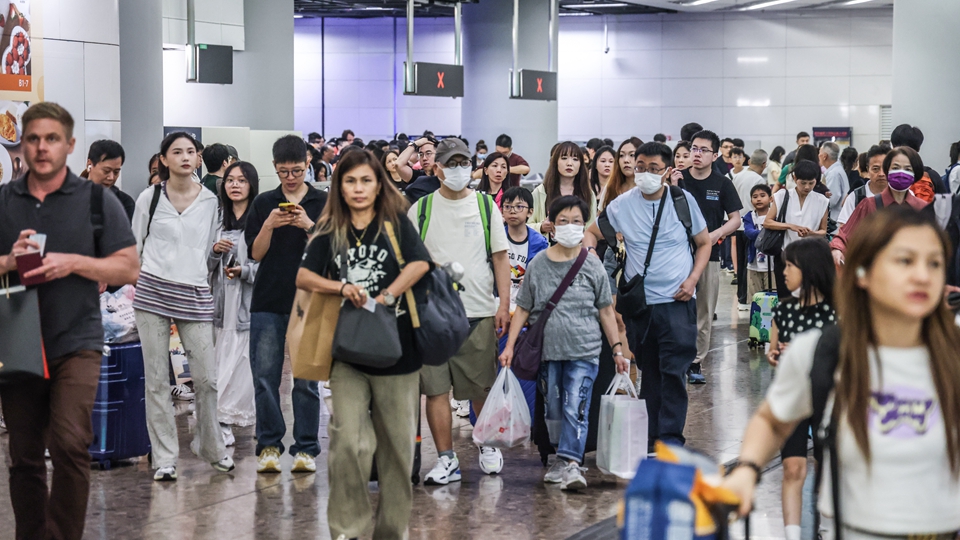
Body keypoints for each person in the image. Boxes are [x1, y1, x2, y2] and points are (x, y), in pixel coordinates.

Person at [723, 206, 960, 538]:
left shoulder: (952, 351)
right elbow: (772, 419)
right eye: (904, 261)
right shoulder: (820, 351)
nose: (923, 275)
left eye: (934, 263)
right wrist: (746, 470)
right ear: (862, 273)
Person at [0, 102, 139, 540]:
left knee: (69, 444)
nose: (43, 147)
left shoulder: (98, 200)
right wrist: (10, 260)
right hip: (18, 341)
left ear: (70, 145)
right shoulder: (4, 201)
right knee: (23, 455)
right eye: (34, 138)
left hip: (77, 340)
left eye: (52, 138)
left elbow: (127, 268)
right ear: (22, 143)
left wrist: (73, 263)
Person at [297, 149, 430, 540]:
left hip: (399, 352)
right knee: (349, 444)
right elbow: (304, 276)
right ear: (340, 185)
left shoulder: (395, 223)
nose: (358, 188)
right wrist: (340, 287)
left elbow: (421, 263)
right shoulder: (330, 228)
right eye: (350, 181)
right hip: (349, 352)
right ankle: (347, 530)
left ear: (378, 184)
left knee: (397, 453)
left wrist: (388, 294)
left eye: (366, 180)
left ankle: (392, 531)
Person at [500, 195, 628, 491]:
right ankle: (560, 458)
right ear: (552, 225)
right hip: (548, 352)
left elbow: (605, 310)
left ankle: (572, 463)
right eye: (563, 221)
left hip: (585, 350)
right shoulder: (538, 263)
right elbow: (523, 308)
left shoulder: (592, 264)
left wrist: (617, 349)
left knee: (576, 406)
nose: (570, 227)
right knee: (553, 410)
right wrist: (509, 346)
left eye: (576, 222)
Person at [585, 152, 711, 449]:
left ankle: (669, 439)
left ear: (667, 171)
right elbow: (591, 233)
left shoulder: (682, 200)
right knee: (649, 372)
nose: (645, 173)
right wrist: (591, 256)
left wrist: (692, 280)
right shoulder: (623, 204)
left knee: (674, 372)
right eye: (641, 167)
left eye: (653, 168)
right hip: (641, 305)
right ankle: (650, 437)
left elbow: (704, 243)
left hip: (678, 301)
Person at [406, 137, 512, 484]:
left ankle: (486, 443)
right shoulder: (420, 209)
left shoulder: (485, 206)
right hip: (431, 314)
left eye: (463, 163)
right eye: (450, 164)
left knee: (480, 387)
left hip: (478, 310)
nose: (458, 170)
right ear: (435, 168)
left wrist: (504, 305)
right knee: (436, 390)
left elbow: (500, 257)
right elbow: (407, 261)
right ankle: (447, 458)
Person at [132, 131, 234, 482]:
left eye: (191, 151)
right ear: (164, 159)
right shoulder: (150, 196)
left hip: (193, 290)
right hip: (152, 292)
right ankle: (164, 458)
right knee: (157, 380)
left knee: (205, 379)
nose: (185, 157)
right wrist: (142, 277)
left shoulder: (210, 200)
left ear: (199, 157)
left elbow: (208, 250)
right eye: (177, 152)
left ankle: (210, 446)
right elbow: (136, 244)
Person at [245, 135, 328, 474]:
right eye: (283, 172)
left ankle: (306, 448)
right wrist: (269, 225)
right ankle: (268, 445)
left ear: (307, 164)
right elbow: (255, 253)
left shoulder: (322, 201)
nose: (290, 177)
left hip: (310, 300)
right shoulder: (265, 202)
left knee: (306, 380)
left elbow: (331, 251)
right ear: (275, 169)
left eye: (296, 170)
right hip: (269, 297)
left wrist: (309, 225)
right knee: (265, 377)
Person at [765, 238, 836, 540]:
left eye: (790, 266)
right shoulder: (784, 309)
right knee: (792, 467)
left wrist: (807, 351)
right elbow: (772, 350)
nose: (784, 272)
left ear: (808, 270)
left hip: (829, 401)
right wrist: (776, 353)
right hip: (792, 399)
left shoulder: (837, 313)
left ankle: (826, 528)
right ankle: (793, 534)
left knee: (827, 468)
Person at [678, 130, 743, 384]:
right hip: (676, 254)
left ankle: (695, 362)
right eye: (694, 148)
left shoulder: (722, 183)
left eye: (703, 150)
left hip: (711, 256)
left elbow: (736, 219)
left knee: (704, 310)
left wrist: (715, 233)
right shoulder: (678, 179)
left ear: (715, 155)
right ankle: (675, 357)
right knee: (676, 308)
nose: (697, 154)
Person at [209, 161, 259, 446]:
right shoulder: (216, 220)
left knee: (242, 363)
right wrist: (215, 252)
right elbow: (202, 264)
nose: (235, 185)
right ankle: (220, 419)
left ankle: (230, 417)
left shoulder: (259, 219)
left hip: (247, 303)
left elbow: (268, 264)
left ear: (251, 184)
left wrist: (245, 271)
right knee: (220, 361)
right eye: (230, 180)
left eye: (241, 180)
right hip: (220, 304)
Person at [831, 147, 929, 266]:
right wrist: (837, 249)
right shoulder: (868, 205)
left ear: (915, 173)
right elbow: (844, 236)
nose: (901, 173)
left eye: (908, 169)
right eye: (895, 168)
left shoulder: (923, 209)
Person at [762, 161, 829, 298]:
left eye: (811, 183)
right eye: (803, 183)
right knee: (786, 297)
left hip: (810, 256)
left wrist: (812, 233)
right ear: (794, 178)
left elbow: (823, 231)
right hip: (785, 255)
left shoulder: (822, 201)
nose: (807, 187)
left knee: (809, 297)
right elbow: (767, 222)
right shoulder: (782, 196)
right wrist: (790, 226)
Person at [531, 142, 597, 238]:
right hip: (547, 249)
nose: (569, 163)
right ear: (555, 162)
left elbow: (591, 229)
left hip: (577, 249)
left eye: (575, 159)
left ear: (581, 165)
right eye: (564, 158)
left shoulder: (588, 194)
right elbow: (526, 226)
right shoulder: (541, 191)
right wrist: (541, 227)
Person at [501, 186, 548, 312]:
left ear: (530, 212)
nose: (513, 211)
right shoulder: (496, 238)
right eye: (507, 206)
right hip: (499, 302)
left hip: (528, 304)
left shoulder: (540, 243)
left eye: (519, 206)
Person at [731, 149, 769, 309]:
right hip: (754, 225)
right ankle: (749, 299)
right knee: (751, 264)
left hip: (737, 224)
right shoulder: (758, 179)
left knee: (741, 264)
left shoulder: (737, 176)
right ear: (764, 164)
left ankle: (741, 298)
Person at [838, 144, 890, 227]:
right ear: (868, 169)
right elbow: (844, 231)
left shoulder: (903, 195)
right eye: (875, 169)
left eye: (886, 168)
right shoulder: (855, 197)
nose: (881, 174)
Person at [85, 139, 135, 221]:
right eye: (106, 171)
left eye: (116, 172)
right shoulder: (69, 197)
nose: (111, 177)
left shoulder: (124, 203)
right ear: (89, 164)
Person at [891, 123, 948, 194]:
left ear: (893, 147)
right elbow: (946, 203)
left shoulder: (886, 175)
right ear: (918, 149)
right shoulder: (932, 176)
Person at [742, 184, 773, 301]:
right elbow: (749, 233)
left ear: (770, 199)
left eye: (762, 195)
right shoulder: (749, 216)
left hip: (772, 264)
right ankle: (756, 318)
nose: (758, 199)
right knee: (755, 297)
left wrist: (760, 232)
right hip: (753, 263)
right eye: (755, 197)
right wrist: (767, 231)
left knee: (772, 296)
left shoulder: (775, 215)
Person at [397, 136, 441, 202]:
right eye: (421, 154)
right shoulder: (417, 177)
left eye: (428, 153)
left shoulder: (444, 176)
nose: (424, 158)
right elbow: (398, 164)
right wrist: (415, 144)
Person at [819, 142, 849, 222]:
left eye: (820, 153)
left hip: (835, 219)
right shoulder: (836, 169)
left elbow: (833, 198)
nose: (818, 156)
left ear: (825, 156)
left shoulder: (834, 173)